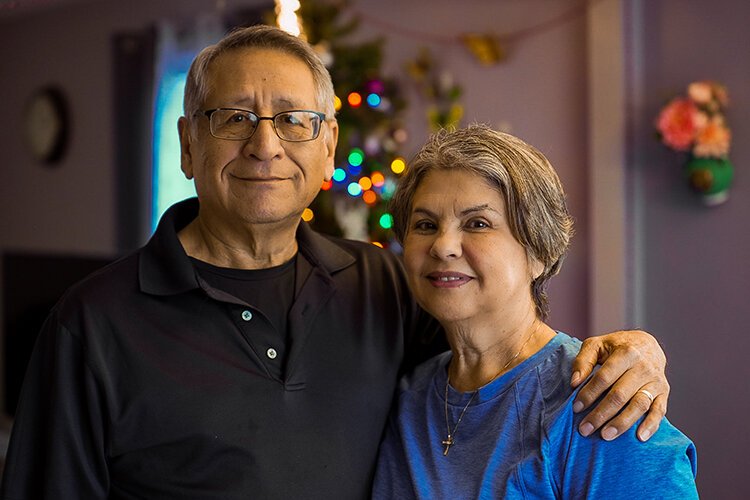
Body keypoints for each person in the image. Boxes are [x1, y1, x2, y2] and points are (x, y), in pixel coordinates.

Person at [2, 26, 669, 499]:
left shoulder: (379, 285)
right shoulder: (90, 324)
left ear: (327, 150)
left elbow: (502, 351)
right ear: (187, 144)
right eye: (233, 118)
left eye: (294, 120)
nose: (265, 145)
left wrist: (635, 353)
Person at [372, 125, 698, 499]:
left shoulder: (604, 402)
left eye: (478, 224)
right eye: (425, 225)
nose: (443, 246)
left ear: (539, 252)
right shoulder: (405, 397)